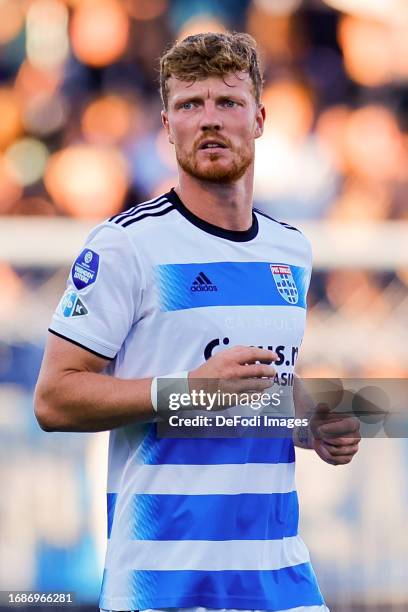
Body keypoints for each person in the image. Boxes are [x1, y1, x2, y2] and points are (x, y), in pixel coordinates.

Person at [34, 32, 361, 612]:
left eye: (227, 103)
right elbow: (54, 400)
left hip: (278, 572)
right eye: (190, 105)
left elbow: (262, 393)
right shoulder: (125, 247)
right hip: (165, 581)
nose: (209, 120)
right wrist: (186, 391)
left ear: (259, 119)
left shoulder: (291, 251)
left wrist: (311, 423)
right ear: (166, 125)